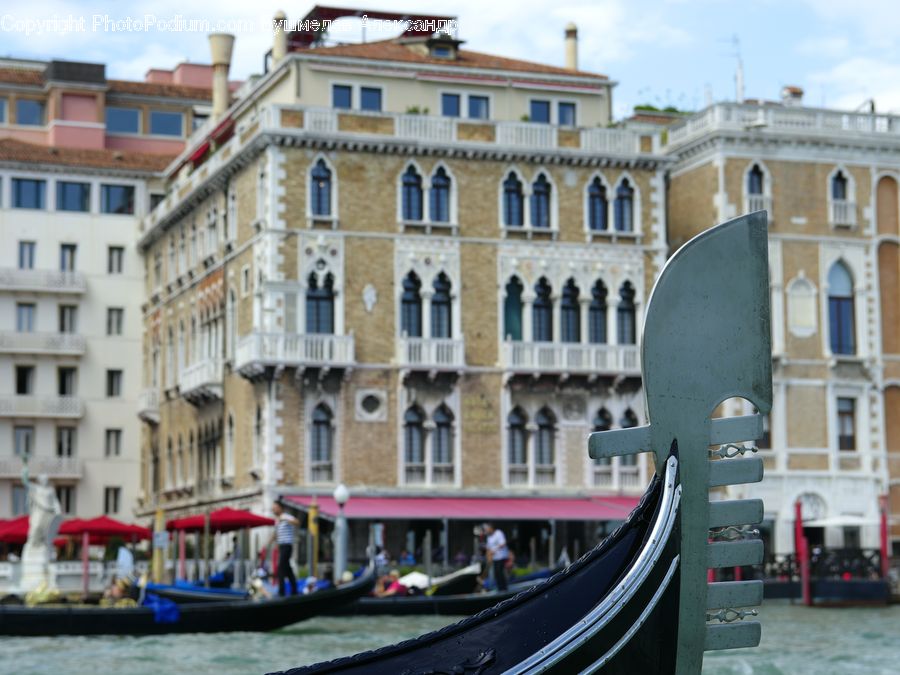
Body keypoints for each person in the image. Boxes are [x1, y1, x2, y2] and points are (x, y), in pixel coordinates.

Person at [269, 501, 299, 596]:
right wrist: (270, 542)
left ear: (280, 508)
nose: (273, 509)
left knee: (281, 568)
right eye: (273, 507)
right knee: (288, 569)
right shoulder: (277, 520)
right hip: (282, 547)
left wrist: (286, 520)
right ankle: (294, 590)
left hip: (287, 546)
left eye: (275, 507)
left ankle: (281, 591)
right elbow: (277, 534)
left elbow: (297, 522)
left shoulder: (286, 516)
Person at [484, 522, 509, 591]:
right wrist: (488, 556)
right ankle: (499, 588)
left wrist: (494, 550)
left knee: (499, 572)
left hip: (502, 556)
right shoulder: (489, 537)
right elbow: (488, 548)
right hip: (495, 558)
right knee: (496, 573)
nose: (486, 530)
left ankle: (504, 588)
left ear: (491, 528)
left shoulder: (499, 533)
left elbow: (503, 543)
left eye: (487, 529)